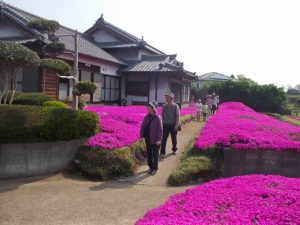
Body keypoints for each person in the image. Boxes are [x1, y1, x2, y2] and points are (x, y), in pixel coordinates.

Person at [140, 100, 163, 175]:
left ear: (154, 108)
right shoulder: (146, 117)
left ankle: (155, 168)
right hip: (148, 138)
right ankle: (150, 167)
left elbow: (160, 129)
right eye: (148, 106)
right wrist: (141, 134)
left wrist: (159, 139)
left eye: (150, 107)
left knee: (155, 154)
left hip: (156, 139)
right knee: (149, 153)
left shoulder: (157, 118)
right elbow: (143, 126)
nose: (148, 108)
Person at [160, 91, 180, 158]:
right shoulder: (164, 106)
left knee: (173, 138)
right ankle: (162, 152)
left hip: (173, 125)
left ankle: (174, 149)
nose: (167, 99)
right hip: (165, 125)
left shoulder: (176, 106)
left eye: (168, 98)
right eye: (166, 98)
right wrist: (161, 124)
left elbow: (177, 116)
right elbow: (162, 116)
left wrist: (176, 125)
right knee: (163, 139)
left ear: (172, 99)